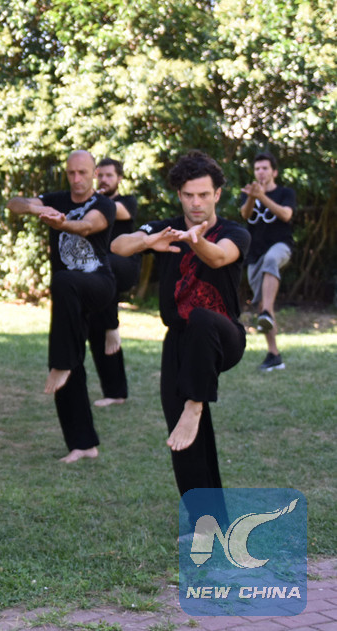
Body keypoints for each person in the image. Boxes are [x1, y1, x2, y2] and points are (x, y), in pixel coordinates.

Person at [111, 151, 249, 521]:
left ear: (217, 194)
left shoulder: (234, 232)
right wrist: (148, 242)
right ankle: (208, 520)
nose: (196, 202)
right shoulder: (166, 229)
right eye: (189, 195)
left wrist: (194, 241)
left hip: (223, 336)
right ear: (179, 195)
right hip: (181, 341)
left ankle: (195, 404)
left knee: (202, 317)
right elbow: (118, 246)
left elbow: (218, 257)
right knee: (183, 439)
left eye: (203, 194)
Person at [7, 150, 116, 464]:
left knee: (63, 280)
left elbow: (87, 227)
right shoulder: (56, 199)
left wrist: (63, 222)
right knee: (70, 365)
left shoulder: (104, 204)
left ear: (93, 173)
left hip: (97, 284)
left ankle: (62, 362)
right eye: (71, 173)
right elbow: (13, 203)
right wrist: (34, 207)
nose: (77, 179)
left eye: (83, 172)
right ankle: (83, 445)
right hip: (68, 296)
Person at [238, 152, 296, 371]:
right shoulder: (249, 193)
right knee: (262, 306)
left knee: (272, 259)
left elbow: (286, 215)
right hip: (255, 253)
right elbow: (245, 215)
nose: (260, 172)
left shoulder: (285, 193)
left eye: (264, 168)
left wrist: (262, 197)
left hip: (281, 246)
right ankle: (274, 355)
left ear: (274, 172)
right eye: (257, 169)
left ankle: (267, 311)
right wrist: (253, 197)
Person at [90, 158, 140, 407]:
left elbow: (114, 211)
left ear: (119, 178)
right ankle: (115, 393)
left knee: (104, 264)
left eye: (109, 175)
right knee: (93, 326)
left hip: (125, 266)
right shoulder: (92, 203)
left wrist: (89, 198)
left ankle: (112, 325)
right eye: (100, 175)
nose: (104, 180)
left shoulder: (126, 202)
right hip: (98, 274)